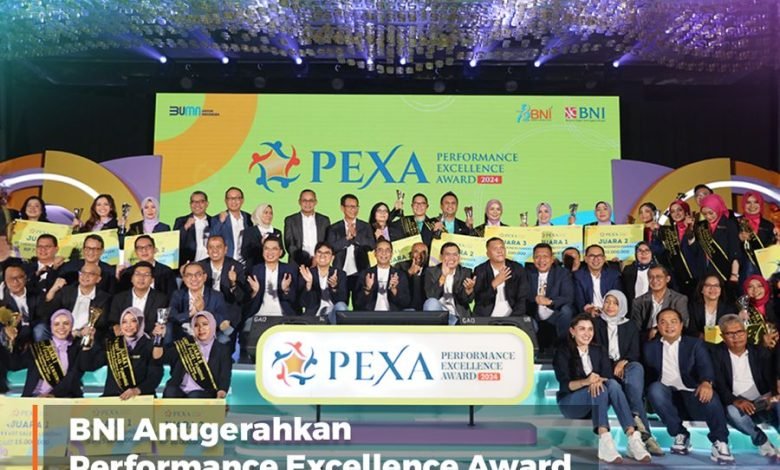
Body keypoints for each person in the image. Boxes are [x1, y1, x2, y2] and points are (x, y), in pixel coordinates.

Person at [553, 314, 651, 463]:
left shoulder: (599, 350)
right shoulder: (563, 352)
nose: (587, 333)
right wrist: (587, 381)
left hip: (597, 400)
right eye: (582, 329)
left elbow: (608, 377)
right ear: (572, 331)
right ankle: (604, 439)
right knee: (600, 388)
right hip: (571, 403)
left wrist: (597, 380)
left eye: (590, 329)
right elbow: (565, 385)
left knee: (611, 385)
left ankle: (632, 437)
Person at [644, 308, 733, 463]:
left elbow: (706, 366)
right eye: (663, 322)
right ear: (657, 326)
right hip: (668, 398)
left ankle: (720, 442)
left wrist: (706, 382)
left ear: (681, 325)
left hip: (693, 394)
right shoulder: (649, 347)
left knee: (710, 394)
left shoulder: (695, 344)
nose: (669, 326)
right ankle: (680, 434)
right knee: (654, 389)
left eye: (673, 322)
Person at [594, 290, 664, 455]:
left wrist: (624, 361)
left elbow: (634, 352)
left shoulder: (629, 325)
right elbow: (595, 351)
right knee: (635, 396)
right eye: (607, 302)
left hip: (625, 366)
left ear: (622, 306)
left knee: (636, 368)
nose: (610, 306)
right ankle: (645, 434)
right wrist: (612, 365)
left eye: (615, 303)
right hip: (604, 367)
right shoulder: (595, 323)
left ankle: (637, 420)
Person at [712, 314, 780, 458]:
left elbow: (772, 375)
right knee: (731, 411)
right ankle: (762, 441)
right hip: (739, 404)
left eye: (739, 331)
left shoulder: (759, 351)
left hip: (764, 400)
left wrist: (772, 396)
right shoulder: (716, 355)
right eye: (730, 333)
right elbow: (720, 386)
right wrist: (736, 401)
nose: (736, 337)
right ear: (722, 336)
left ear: (746, 332)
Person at [81, 306, 163, 399]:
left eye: (133, 321)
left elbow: (156, 375)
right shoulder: (112, 344)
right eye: (124, 322)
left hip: (140, 399)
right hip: (113, 399)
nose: (128, 325)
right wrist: (88, 343)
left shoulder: (150, 345)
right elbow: (87, 366)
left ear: (140, 323)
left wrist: (137, 390)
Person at [10, 309, 89, 398]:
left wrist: (52, 395)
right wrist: (11, 341)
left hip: (64, 399)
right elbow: (14, 365)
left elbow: (72, 378)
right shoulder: (40, 347)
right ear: (51, 327)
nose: (61, 327)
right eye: (56, 324)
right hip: (34, 399)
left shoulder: (77, 349)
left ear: (71, 326)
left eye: (66, 323)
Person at [153, 311, 232, 399]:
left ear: (212, 325)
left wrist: (222, 391)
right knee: (170, 392)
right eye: (196, 325)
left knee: (194, 396)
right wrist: (158, 338)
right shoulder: (185, 344)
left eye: (205, 324)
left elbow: (225, 375)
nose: (201, 329)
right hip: (179, 390)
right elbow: (158, 358)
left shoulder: (222, 349)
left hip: (204, 392)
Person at [473, 238, 535, 344]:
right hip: (487, 313)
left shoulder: (517, 268)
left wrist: (512, 320)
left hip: (513, 313)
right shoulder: (480, 270)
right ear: (488, 254)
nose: (499, 251)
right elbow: (480, 300)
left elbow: (522, 299)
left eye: (502, 247)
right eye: (495, 248)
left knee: (532, 326)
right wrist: (494, 283)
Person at [169, 262, 234, 343]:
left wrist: (203, 310)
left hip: (209, 336)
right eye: (189, 275)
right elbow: (171, 316)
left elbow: (223, 321)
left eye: (198, 274)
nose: (193, 278)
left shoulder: (217, 296)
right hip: (184, 336)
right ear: (184, 279)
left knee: (224, 340)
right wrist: (191, 313)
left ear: (205, 277)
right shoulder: (178, 295)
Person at [326, 194, 375, 298]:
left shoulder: (365, 226)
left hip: (361, 271)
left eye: (356, 207)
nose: (354, 209)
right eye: (350, 206)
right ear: (342, 208)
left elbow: (372, 245)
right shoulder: (334, 228)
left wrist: (356, 237)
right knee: (340, 302)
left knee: (361, 304)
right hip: (340, 272)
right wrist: (346, 239)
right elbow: (330, 249)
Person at [526, 243, 574, 340]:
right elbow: (522, 294)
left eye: (545, 256)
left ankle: (563, 344)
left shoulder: (562, 273)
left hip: (554, 313)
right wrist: (535, 298)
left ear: (552, 259)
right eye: (537, 257)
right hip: (534, 313)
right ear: (533, 259)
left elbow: (568, 297)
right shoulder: (527, 272)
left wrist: (550, 302)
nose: (541, 260)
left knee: (567, 310)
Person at [108, 261, 169, 336]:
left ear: (152, 280)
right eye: (137, 274)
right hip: (124, 338)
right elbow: (113, 321)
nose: (141, 278)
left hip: (149, 338)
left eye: (146, 275)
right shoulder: (119, 298)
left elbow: (160, 324)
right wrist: (117, 328)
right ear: (131, 278)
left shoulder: (161, 299)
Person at [655, 199, 700, 299]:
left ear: (686, 211)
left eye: (679, 210)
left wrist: (690, 229)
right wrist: (656, 233)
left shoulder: (697, 227)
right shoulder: (667, 232)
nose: (676, 214)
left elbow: (696, 251)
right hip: (677, 279)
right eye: (673, 211)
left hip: (695, 276)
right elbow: (659, 252)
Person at [692, 193, 740, 286]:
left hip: (724, 271)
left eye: (711, 213)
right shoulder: (702, 226)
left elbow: (735, 250)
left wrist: (734, 274)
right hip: (704, 270)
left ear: (718, 209)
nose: (708, 217)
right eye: (705, 214)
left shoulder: (729, 224)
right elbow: (697, 249)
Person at [630, 265, 689, 340]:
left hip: (671, 337)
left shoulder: (679, 299)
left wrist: (658, 331)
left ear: (667, 279)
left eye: (659, 277)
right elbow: (635, 328)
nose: (654, 280)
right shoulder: (638, 301)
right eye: (651, 277)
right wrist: (649, 334)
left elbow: (684, 324)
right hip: (647, 339)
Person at [246, 236, 300, 317]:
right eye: (266, 249)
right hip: (259, 315)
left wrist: (285, 290)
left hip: (283, 316)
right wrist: (255, 292)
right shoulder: (254, 270)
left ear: (280, 252)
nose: (270, 252)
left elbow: (295, 300)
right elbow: (245, 301)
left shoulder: (290, 270)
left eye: (274, 249)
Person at [423, 242, 475, 324]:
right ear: (441, 257)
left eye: (455, 254)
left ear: (459, 257)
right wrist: (443, 276)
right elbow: (431, 296)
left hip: (457, 316)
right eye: (448, 254)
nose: (452, 258)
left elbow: (467, 300)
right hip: (439, 314)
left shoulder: (465, 272)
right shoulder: (431, 272)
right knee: (431, 303)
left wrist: (468, 291)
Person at [353, 238, 410, 311]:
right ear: (375, 253)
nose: (384, 253)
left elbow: (405, 303)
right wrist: (367, 289)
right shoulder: (365, 274)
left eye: (387, 250)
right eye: (380, 250)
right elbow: (357, 303)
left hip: (392, 315)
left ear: (391, 254)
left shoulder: (400, 275)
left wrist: (394, 290)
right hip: (370, 315)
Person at [299, 242, 348, 318]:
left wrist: (334, 287)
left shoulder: (340, 274)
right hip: (314, 313)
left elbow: (343, 300)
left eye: (327, 253)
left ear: (332, 257)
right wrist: (309, 284)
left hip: (332, 313)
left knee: (341, 306)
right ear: (315, 256)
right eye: (319, 252)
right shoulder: (307, 273)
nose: (322, 255)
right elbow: (303, 303)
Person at [283, 189, 330, 267]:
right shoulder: (290, 220)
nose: (308, 203)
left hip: (320, 262)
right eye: (304, 200)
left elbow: (327, 242)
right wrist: (307, 260)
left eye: (311, 200)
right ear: (299, 202)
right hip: (297, 263)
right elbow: (289, 245)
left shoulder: (324, 220)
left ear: (315, 202)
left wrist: (318, 258)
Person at [199, 235, 248, 308]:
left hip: (228, 308)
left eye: (218, 247)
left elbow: (242, 298)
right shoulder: (199, 267)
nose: (214, 250)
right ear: (207, 250)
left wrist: (233, 283)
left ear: (225, 249)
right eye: (211, 247)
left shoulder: (237, 267)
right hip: (205, 308)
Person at [573, 244, 622, 315]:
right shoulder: (578, 276)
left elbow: (618, 300)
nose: (596, 259)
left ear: (604, 259)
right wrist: (589, 310)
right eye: (592, 256)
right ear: (585, 259)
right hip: (588, 314)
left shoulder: (614, 275)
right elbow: (580, 301)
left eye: (599, 256)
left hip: (610, 313)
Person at [739, 191, 777, 280]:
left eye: (756, 202)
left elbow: (772, 247)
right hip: (742, 267)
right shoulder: (736, 222)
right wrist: (738, 238)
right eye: (748, 202)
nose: (752, 206)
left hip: (763, 268)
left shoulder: (768, 225)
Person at [209, 187, 252, 265]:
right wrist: (220, 222)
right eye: (230, 198)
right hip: (226, 262)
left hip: (246, 264)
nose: (234, 201)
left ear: (242, 200)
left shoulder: (249, 218)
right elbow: (211, 238)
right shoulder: (217, 219)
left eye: (237, 198)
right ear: (225, 201)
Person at [1, 262, 40, 344]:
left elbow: (43, 317)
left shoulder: (37, 293)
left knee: (41, 329)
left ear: (25, 278)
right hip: (13, 336)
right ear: (5, 281)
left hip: (35, 333)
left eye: (19, 277)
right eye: (10, 278)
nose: (15, 281)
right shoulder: (2, 300)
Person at [737, 274, 778, 348]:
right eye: (750, 287)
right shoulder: (742, 309)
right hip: (756, 350)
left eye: (759, 286)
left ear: (765, 287)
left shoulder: (776, 304)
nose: (755, 290)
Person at [172, 190, 212, 265]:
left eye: (201, 201)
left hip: (210, 264)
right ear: (190, 204)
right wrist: (185, 227)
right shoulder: (181, 221)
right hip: (189, 265)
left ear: (207, 204)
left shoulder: (213, 221)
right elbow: (174, 243)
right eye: (194, 202)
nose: (197, 204)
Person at [688, 275, 731, 340]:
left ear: (720, 289)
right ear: (701, 289)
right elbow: (691, 330)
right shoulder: (693, 307)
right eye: (708, 285)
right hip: (699, 343)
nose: (712, 288)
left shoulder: (729, 308)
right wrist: (706, 338)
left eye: (716, 285)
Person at [242, 203, 284, 268]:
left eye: (271, 213)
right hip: (254, 269)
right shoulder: (249, 232)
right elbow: (244, 254)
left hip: (272, 269)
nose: (269, 215)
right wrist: (261, 244)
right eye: (266, 212)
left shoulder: (277, 232)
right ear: (259, 214)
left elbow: (282, 253)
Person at [394, 242, 428, 311]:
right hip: (406, 307)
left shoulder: (431, 269)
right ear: (411, 254)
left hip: (425, 308)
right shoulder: (400, 266)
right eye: (416, 252)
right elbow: (396, 286)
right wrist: (409, 273)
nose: (419, 255)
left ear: (427, 256)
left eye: (423, 252)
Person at [620, 242, 656, 309]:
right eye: (640, 251)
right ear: (635, 254)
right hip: (633, 309)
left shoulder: (659, 270)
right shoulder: (628, 270)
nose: (643, 253)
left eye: (647, 250)